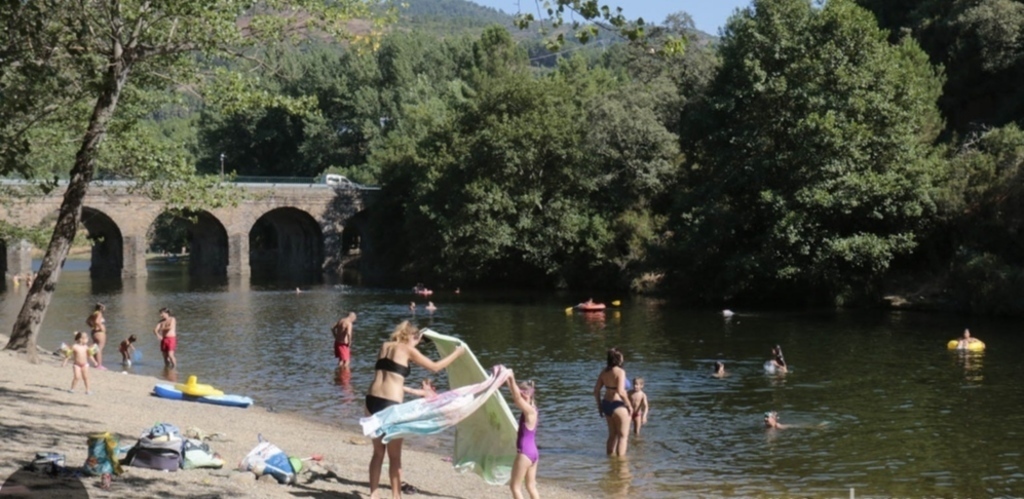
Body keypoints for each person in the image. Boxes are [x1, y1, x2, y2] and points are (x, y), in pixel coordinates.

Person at [365, 321, 466, 499]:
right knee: (395, 457)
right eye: (418, 340)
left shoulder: (385, 346)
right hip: (390, 404)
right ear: (413, 336)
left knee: (378, 453)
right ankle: (396, 496)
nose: (418, 344)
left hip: (370, 401)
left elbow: (388, 371)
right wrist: (457, 353)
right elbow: (435, 367)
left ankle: (374, 494)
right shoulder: (407, 349)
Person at [593, 347, 634, 457]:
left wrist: (599, 406)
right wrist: (629, 405)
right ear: (619, 358)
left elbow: (596, 390)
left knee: (612, 435)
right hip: (618, 405)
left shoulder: (604, 372)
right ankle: (620, 465)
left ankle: (610, 461)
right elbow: (621, 391)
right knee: (623, 436)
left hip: (606, 404)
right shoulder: (620, 372)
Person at [506, 371, 539, 499]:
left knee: (515, 487)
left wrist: (511, 377)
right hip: (534, 453)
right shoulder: (533, 408)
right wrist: (509, 381)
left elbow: (517, 398)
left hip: (525, 453)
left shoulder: (529, 411)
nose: (520, 396)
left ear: (528, 395)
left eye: (523, 394)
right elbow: (517, 396)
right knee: (531, 486)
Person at [86, 303, 108, 370]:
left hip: (94, 332)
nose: (105, 309)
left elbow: (87, 321)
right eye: (104, 307)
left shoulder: (94, 313)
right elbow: (97, 321)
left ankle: (96, 363)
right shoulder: (99, 313)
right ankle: (99, 365)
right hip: (99, 333)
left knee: (96, 348)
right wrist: (100, 327)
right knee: (99, 348)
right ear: (101, 308)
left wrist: (93, 327)